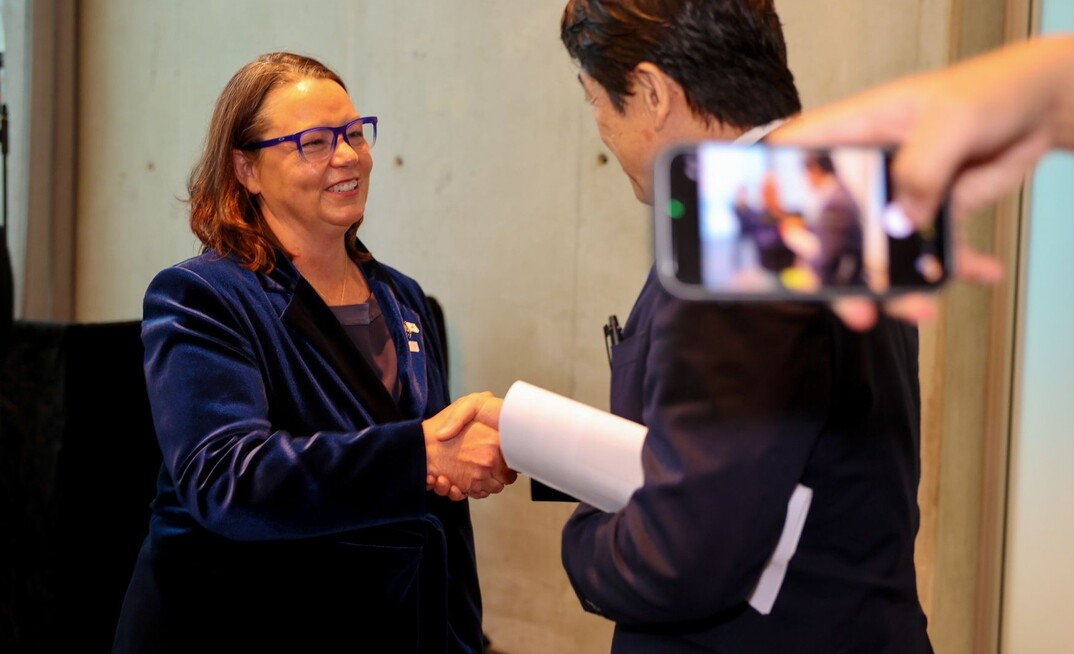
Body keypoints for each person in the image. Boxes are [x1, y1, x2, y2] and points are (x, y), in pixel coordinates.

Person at [550, 1, 931, 651]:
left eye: (596, 101)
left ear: (651, 94)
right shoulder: (835, 192)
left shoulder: (744, 233)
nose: (602, 131)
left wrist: (584, 541)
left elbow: (684, 555)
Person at [111, 52, 516, 654]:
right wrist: (421, 453)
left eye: (354, 133)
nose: (348, 156)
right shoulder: (202, 295)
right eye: (314, 142)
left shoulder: (403, 297)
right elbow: (226, 479)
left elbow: (438, 512)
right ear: (246, 169)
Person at [771, 34, 1074, 330]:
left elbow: (824, 258)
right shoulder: (839, 196)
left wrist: (1049, 92)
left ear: (814, 171)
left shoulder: (835, 201)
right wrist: (1050, 93)